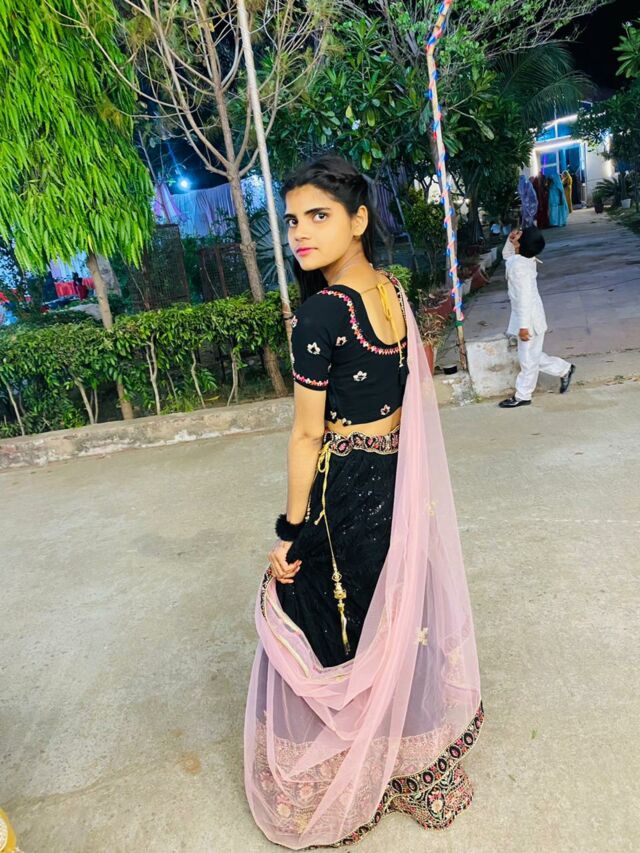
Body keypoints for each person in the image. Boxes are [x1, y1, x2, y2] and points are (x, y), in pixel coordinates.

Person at [244, 154, 483, 849]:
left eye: (318, 216)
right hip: (398, 486)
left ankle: (350, 767)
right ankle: (408, 758)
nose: (299, 232)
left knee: (317, 608)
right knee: (395, 611)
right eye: (292, 219)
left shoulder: (322, 313)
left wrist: (290, 530)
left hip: (346, 490)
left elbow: (306, 434)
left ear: (358, 220)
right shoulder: (390, 291)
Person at [499, 227, 575, 409]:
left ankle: (523, 395)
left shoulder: (520, 269)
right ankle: (564, 369)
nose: (515, 233)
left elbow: (524, 299)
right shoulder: (522, 259)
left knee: (527, 360)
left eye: (519, 234)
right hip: (527, 317)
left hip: (529, 320)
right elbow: (507, 255)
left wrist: (524, 327)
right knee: (531, 356)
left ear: (521, 244)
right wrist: (510, 240)